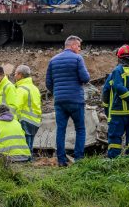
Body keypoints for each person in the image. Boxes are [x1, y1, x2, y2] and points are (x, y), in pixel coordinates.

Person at [46, 35, 91, 166]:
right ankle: (78, 159)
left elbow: (48, 83)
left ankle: (61, 160)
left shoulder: (53, 60)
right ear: (72, 45)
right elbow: (85, 78)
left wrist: (57, 92)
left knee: (61, 129)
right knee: (80, 129)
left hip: (59, 100)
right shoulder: (77, 58)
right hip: (76, 99)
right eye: (78, 46)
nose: (79, 49)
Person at [13, 64, 42, 154]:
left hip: (25, 119)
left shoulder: (22, 89)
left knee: (26, 145)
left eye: (15, 73)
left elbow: (17, 106)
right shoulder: (34, 88)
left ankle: (27, 159)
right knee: (30, 143)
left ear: (20, 75)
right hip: (35, 120)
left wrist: (13, 120)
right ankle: (29, 160)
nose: (14, 76)